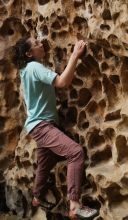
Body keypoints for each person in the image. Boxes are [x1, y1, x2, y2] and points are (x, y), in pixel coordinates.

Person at [13, 35, 99, 219]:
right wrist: (75, 55)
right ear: (29, 53)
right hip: (42, 126)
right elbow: (62, 82)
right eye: (36, 44)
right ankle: (75, 205)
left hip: (38, 126)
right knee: (75, 152)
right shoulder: (34, 67)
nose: (41, 44)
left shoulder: (25, 70)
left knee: (45, 163)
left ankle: (37, 197)